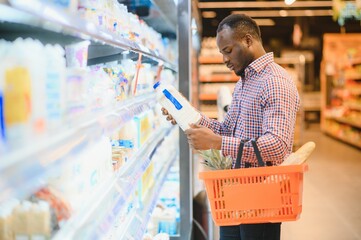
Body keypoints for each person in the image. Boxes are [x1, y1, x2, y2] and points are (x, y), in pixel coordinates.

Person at [163, 13, 300, 240]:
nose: (224, 59)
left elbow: (277, 145)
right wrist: (185, 115)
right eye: (221, 53)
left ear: (248, 40)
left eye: (228, 50)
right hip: (237, 194)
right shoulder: (245, 82)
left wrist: (217, 143)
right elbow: (227, 130)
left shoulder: (275, 82)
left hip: (262, 200)